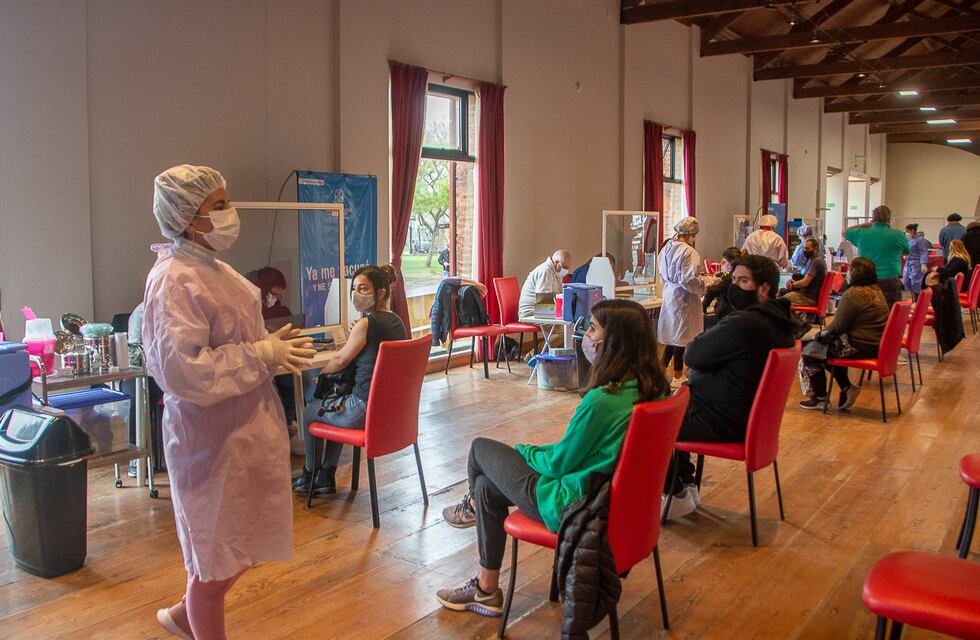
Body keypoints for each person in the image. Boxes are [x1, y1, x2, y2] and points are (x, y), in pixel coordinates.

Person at [142, 165, 315, 639]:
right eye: (217, 206)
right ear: (185, 217)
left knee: (240, 543)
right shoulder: (174, 280)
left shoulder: (213, 268)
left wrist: (272, 351)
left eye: (226, 201)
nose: (229, 213)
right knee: (214, 562)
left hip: (244, 430)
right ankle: (192, 616)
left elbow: (237, 339)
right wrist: (261, 353)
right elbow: (185, 371)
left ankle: (182, 616)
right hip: (210, 440)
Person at [435, 299, 669, 617]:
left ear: (612, 341)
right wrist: (540, 453)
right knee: (488, 487)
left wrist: (525, 451)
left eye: (593, 328)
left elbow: (559, 464)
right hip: (615, 504)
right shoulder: (654, 391)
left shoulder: (602, 401)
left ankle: (471, 509)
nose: (586, 334)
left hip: (570, 504)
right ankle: (485, 587)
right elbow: (577, 453)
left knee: (480, 449)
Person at [663, 255, 798, 514]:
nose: (735, 286)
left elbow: (693, 355)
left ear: (764, 287)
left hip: (721, 421)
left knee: (644, 416)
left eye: (743, 280)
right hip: (747, 420)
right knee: (665, 400)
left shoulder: (746, 323)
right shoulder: (780, 323)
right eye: (734, 279)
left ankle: (674, 490)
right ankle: (683, 485)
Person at [292, 264, 408, 495]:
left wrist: (319, 374)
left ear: (381, 292)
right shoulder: (396, 322)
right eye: (354, 288)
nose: (356, 294)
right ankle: (326, 473)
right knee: (334, 404)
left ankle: (310, 474)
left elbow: (340, 360)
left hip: (363, 409)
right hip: (390, 412)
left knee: (310, 412)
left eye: (363, 288)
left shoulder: (366, 325)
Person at [799, 257, 888, 410]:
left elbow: (837, 326)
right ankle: (846, 388)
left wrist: (819, 336)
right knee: (824, 350)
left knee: (809, 351)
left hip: (858, 345)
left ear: (853, 273)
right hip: (876, 344)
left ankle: (820, 397)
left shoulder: (853, 294)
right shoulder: (877, 291)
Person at [657, 217, 721, 386]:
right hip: (684, 297)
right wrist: (710, 282)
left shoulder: (666, 248)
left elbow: (667, 274)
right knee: (680, 338)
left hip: (670, 293)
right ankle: (677, 375)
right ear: (692, 234)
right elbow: (690, 280)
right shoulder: (689, 252)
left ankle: (661, 370)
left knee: (673, 335)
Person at [844, 205, 909, 307]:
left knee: (867, 310)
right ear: (890, 219)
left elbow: (845, 232)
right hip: (890, 279)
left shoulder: (862, 233)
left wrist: (866, 224)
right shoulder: (899, 235)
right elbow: (906, 251)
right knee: (890, 312)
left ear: (873, 219)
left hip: (866, 280)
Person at [518, 249, 572, 318]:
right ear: (556, 262)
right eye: (564, 267)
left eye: (568, 268)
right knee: (564, 327)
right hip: (531, 313)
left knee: (570, 323)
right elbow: (543, 302)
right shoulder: (546, 271)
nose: (566, 271)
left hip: (541, 312)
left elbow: (559, 295)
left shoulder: (557, 272)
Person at [781, 238, 827, 308]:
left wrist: (792, 285)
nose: (805, 251)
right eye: (804, 248)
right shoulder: (810, 261)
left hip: (809, 298)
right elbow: (804, 277)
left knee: (782, 300)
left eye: (807, 248)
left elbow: (805, 282)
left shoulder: (816, 262)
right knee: (782, 292)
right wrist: (793, 281)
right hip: (806, 295)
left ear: (816, 249)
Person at [702, 246, 742, 326]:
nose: (721, 263)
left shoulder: (727, 279)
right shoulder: (740, 276)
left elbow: (712, 293)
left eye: (724, 261)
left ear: (731, 263)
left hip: (724, 316)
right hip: (735, 315)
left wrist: (702, 308)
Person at [902, 223, 932, 298]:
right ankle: (911, 298)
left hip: (916, 263)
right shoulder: (909, 240)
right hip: (908, 262)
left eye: (907, 231)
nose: (906, 233)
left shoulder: (920, 240)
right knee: (906, 281)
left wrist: (923, 264)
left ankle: (917, 300)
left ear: (912, 230)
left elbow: (924, 252)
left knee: (916, 283)